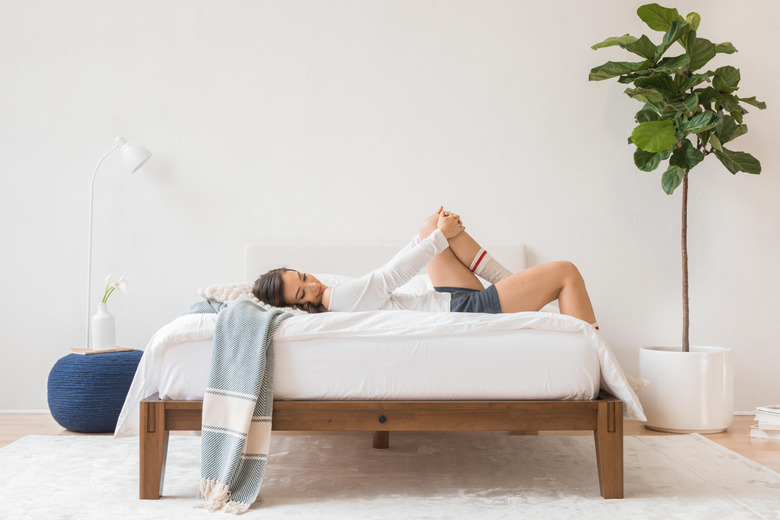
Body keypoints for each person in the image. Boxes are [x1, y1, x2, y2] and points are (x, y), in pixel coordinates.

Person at [252, 207, 599, 330]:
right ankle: (596, 353)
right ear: (299, 305)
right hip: (465, 310)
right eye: (302, 292)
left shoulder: (335, 298)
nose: (311, 285)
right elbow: (393, 275)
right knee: (566, 272)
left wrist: (433, 235)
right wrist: (437, 239)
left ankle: (511, 283)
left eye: (302, 277)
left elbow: (391, 269)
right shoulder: (338, 296)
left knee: (429, 223)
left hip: (449, 299)